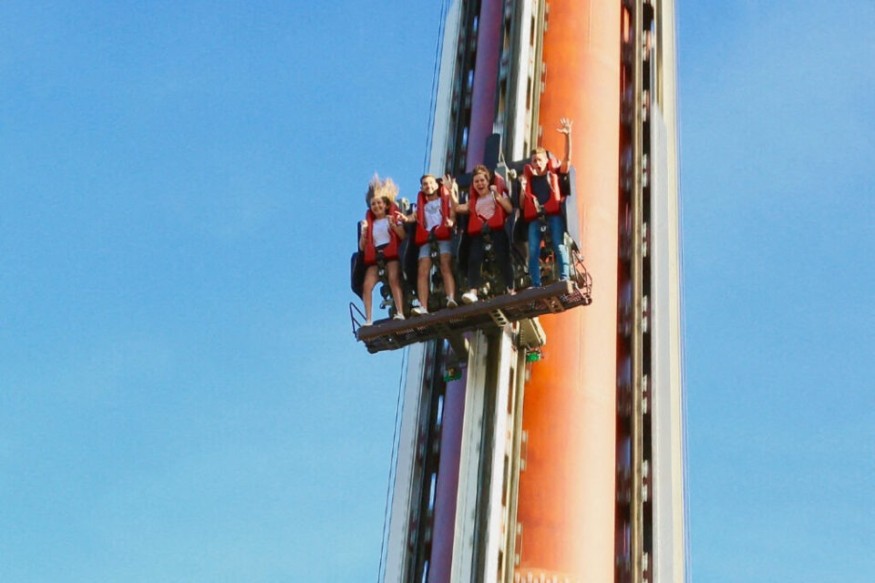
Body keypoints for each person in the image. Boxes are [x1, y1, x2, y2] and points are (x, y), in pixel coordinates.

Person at [519, 117, 573, 286]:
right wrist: (522, 188)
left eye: (539, 160)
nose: (537, 163)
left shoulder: (553, 172)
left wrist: (568, 136)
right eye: (534, 161)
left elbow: (567, 161)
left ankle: (564, 276)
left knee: (558, 244)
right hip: (536, 218)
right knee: (533, 250)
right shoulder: (528, 180)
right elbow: (522, 205)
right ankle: (535, 283)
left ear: (545, 161)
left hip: (553, 215)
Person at [455, 164, 514, 304]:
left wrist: (498, 197)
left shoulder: (496, 193)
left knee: (503, 255)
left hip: (496, 229)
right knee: (474, 258)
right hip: (480, 232)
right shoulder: (473, 201)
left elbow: (509, 209)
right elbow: (457, 208)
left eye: (482, 180)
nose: (480, 184)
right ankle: (473, 291)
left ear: (488, 181)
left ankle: (510, 287)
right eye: (476, 181)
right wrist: (452, 192)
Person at [359, 176, 407, 325]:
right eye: (373, 204)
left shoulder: (392, 218)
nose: (376, 206)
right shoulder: (369, 224)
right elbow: (362, 247)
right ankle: (368, 318)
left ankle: (400, 311)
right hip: (376, 257)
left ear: (385, 204)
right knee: (367, 285)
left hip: (391, 255)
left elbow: (403, 237)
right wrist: (363, 234)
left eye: (379, 203)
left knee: (393, 279)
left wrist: (394, 226)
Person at [410, 173, 458, 315]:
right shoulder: (421, 206)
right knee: (422, 269)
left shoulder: (445, 199)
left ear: (436, 185)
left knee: (445, 265)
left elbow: (453, 212)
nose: (428, 186)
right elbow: (413, 217)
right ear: (421, 187)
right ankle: (423, 306)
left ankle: (451, 297)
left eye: (430, 183)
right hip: (427, 238)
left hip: (443, 236)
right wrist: (403, 219)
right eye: (425, 184)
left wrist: (451, 222)